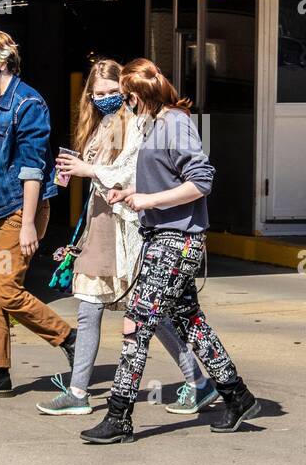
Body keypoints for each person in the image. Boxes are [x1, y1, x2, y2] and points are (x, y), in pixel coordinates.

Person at [80, 58, 260, 444]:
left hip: (176, 241)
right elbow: (160, 179)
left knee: (137, 323)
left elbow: (201, 181)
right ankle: (237, 395)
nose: (124, 105)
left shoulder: (175, 123)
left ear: (139, 95)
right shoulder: (154, 124)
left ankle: (119, 416)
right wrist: (132, 195)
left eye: (126, 98)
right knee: (189, 323)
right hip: (162, 236)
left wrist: (148, 200)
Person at [38, 58, 218, 417]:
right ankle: (77, 391)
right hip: (101, 225)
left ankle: (199, 382)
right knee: (89, 306)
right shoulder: (103, 123)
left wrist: (90, 170)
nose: (106, 98)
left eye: (112, 93)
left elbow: (136, 172)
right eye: (98, 93)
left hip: (129, 228)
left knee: (154, 313)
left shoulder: (141, 124)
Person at [0, 30, 76, 399]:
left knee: (8, 290)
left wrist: (26, 225)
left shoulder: (28, 104)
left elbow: (31, 169)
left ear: (3, 62)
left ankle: (71, 339)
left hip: (18, 213)